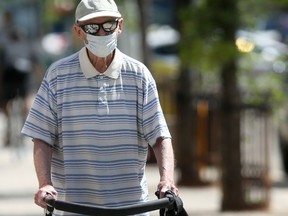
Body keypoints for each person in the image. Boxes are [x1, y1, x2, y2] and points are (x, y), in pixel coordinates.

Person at [21, 0, 178, 215]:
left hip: (132, 207)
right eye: (93, 28)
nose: (102, 32)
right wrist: (45, 184)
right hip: (73, 208)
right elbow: (42, 136)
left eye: (109, 25)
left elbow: (159, 136)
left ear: (120, 26)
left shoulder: (140, 76)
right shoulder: (57, 76)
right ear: (78, 31)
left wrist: (166, 180)